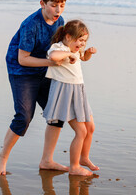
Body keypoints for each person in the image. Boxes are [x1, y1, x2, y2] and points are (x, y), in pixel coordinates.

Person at [0, 0, 68, 176]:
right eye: (53, 4)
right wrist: (51, 63)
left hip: (44, 68)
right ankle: (2, 158)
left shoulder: (60, 22)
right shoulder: (31, 24)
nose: (58, 9)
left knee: (56, 114)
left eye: (62, 4)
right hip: (21, 71)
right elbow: (23, 59)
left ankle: (47, 160)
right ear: (43, 3)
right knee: (23, 117)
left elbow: (62, 48)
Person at [42, 20, 99, 176]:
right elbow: (53, 56)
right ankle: (74, 167)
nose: (82, 44)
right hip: (65, 93)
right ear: (68, 37)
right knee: (81, 131)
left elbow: (83, 58)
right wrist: (69, 53)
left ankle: (84, 158)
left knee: (90, 127)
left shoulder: (76, 49)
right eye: (80, 40)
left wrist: (88, 53)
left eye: (84, 41)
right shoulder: (59, 47)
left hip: (79, 91)